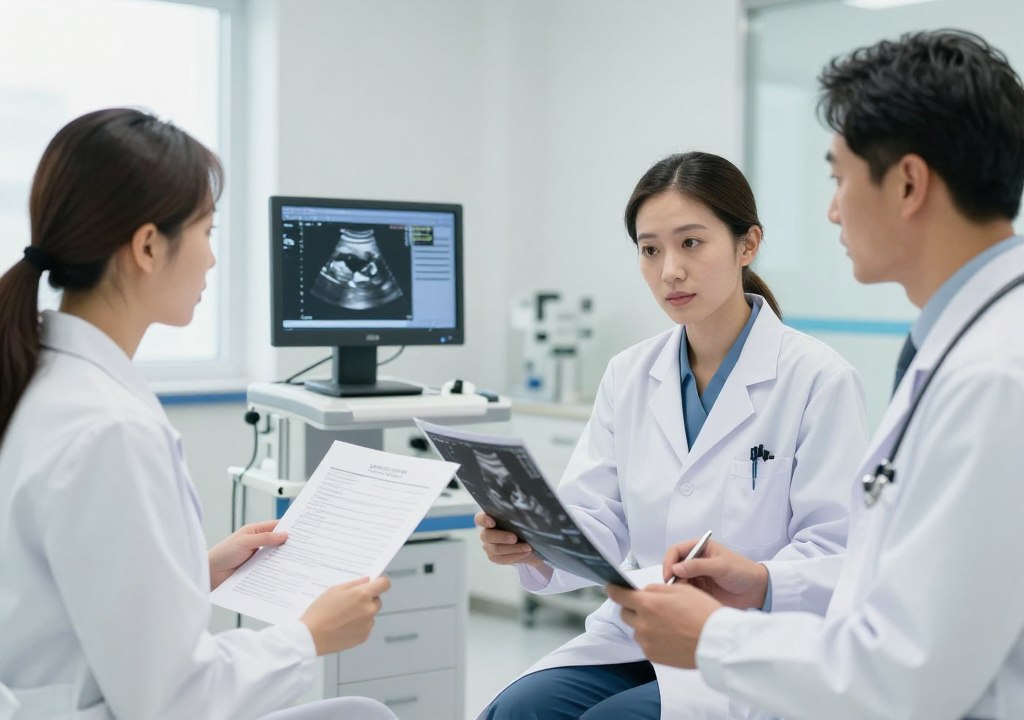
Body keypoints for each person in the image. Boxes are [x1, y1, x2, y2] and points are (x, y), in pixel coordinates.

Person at [608, 29, 1024, 720]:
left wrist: (714, 637)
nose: (832, 208)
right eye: (651, 250)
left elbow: (907, 673)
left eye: (838, 177)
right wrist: (764, 584)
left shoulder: (994, 377)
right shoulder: (964, 349)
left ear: (909, 183)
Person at [0, 108, 396, 720]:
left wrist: (196, 570)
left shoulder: (38, 377)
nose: (212, 259)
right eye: (207, 231)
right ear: (149, 245)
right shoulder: (110, 430)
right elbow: (171, 702)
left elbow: (60, 587)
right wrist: (309, 636)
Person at [478, 152, 869, 719]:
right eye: (650, 249)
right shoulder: (629, 374)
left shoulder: (818, 379)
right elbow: (599, 521)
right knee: (518, 713)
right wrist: (533, 543)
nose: (669, 271)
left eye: (691, 243)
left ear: (747, 244)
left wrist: (760, 579)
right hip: (638, 632)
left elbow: (839, 551)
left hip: (754, 642)